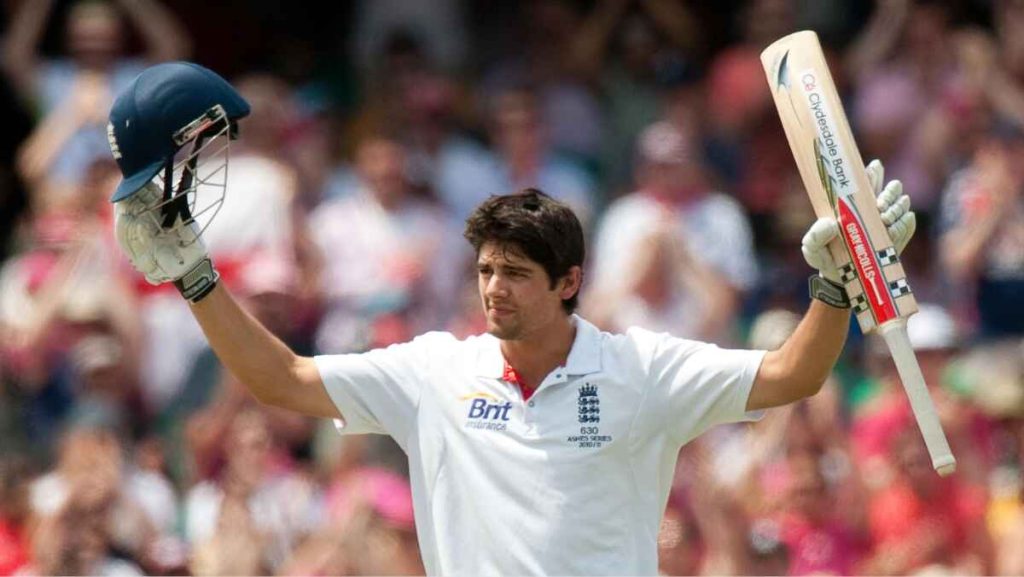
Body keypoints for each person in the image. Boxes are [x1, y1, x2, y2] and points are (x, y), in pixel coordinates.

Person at [105, 61, 917, 576]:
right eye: (486, 270)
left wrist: (834, 290)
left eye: (516, 274)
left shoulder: (638, 368)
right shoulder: (436, 371)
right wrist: (199, 279)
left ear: (568, 283)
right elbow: (278, 380)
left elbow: (793, 374)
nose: (493, 289)